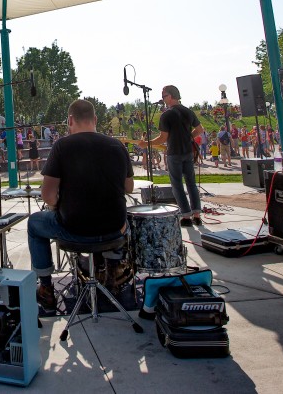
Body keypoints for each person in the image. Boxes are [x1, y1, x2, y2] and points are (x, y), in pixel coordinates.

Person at [27, 99, 134, 312]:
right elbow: (129, 188)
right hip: (114, 230)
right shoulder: (117, 146)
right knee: (126, 219)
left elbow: (47, 195)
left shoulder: (62, 146)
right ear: (95, 119)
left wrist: (59, 204)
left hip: (75, 230)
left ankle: (46, 289)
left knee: (34, 224)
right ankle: (112, 272)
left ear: (70, 121)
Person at [143, 85, 203, 226]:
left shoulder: (167, 114)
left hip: (174, 153)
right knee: (191, 183)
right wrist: (188, 138)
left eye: (164, 96)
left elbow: (163, 138)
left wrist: (146, 143)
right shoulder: (188, 111)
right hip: (188, 152)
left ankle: (186, 216)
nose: (163, 99)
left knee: (177, 185)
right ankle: (197, 214)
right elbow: (200, 130)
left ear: (170, 96)